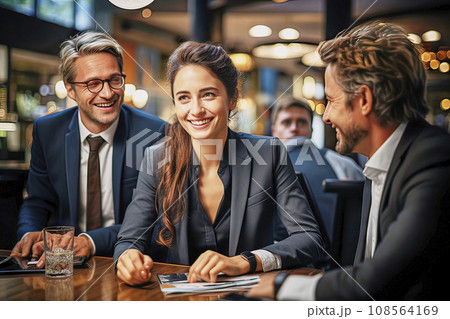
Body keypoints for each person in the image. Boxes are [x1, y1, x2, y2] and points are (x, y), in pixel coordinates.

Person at [248, 21, 450, 300]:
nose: (327, 116)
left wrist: (282, 287)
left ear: (364, 100)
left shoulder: (433, 160)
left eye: (331, 100)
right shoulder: (381, 164)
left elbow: (383, 278)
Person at [113, 41, 324, 286]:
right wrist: (126, 258)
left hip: (248, 300)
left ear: (232, 98)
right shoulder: (156, 158)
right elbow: (129, 240)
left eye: (208, 95)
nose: (196, 110)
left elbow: (309, 238)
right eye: (184, 98)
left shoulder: (269, 154)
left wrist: (245, 261)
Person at [12, 31, 165, 265]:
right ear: (70, 90)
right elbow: (38, 200)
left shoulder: (154, 134)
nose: (108, 92)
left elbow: (156, 219)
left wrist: (89, 241)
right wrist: (29, 233)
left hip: (133, 261)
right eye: (93, 84)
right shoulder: (47, 130)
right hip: (63, 263)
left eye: (115, 79)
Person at [271, 95, 363, 242]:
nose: (294, 128)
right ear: (274, 131)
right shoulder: (262, 168)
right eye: (287, 122)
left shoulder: (341, 164)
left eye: (301, 122)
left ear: (311, 130)